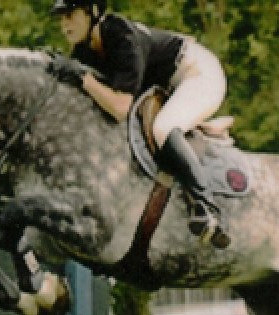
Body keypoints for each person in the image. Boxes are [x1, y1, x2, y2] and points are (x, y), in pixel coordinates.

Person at [49, 0, 229, 248]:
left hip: (197, 73)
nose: (64, 23)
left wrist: (85, 80)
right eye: (60, 17)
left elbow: (120, 107)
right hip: (167, 87)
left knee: (163, 128)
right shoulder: (84, 50)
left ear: (92, 12)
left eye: (70, 14)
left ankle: (207, 206)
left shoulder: (122, 37)